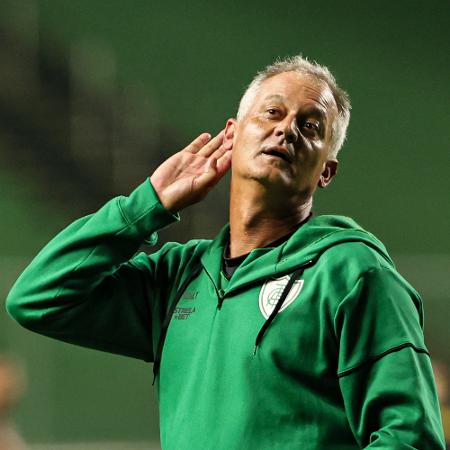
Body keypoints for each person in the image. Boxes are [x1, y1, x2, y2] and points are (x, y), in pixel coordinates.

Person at [5, 55, 445, 449]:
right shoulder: (177, 278)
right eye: (272, 112)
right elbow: (38, 298)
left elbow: (411, 437)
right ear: (232, 135)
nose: (286, 128)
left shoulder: (354, 273)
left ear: (326, 171)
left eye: (310, 126)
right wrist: (147, 204)